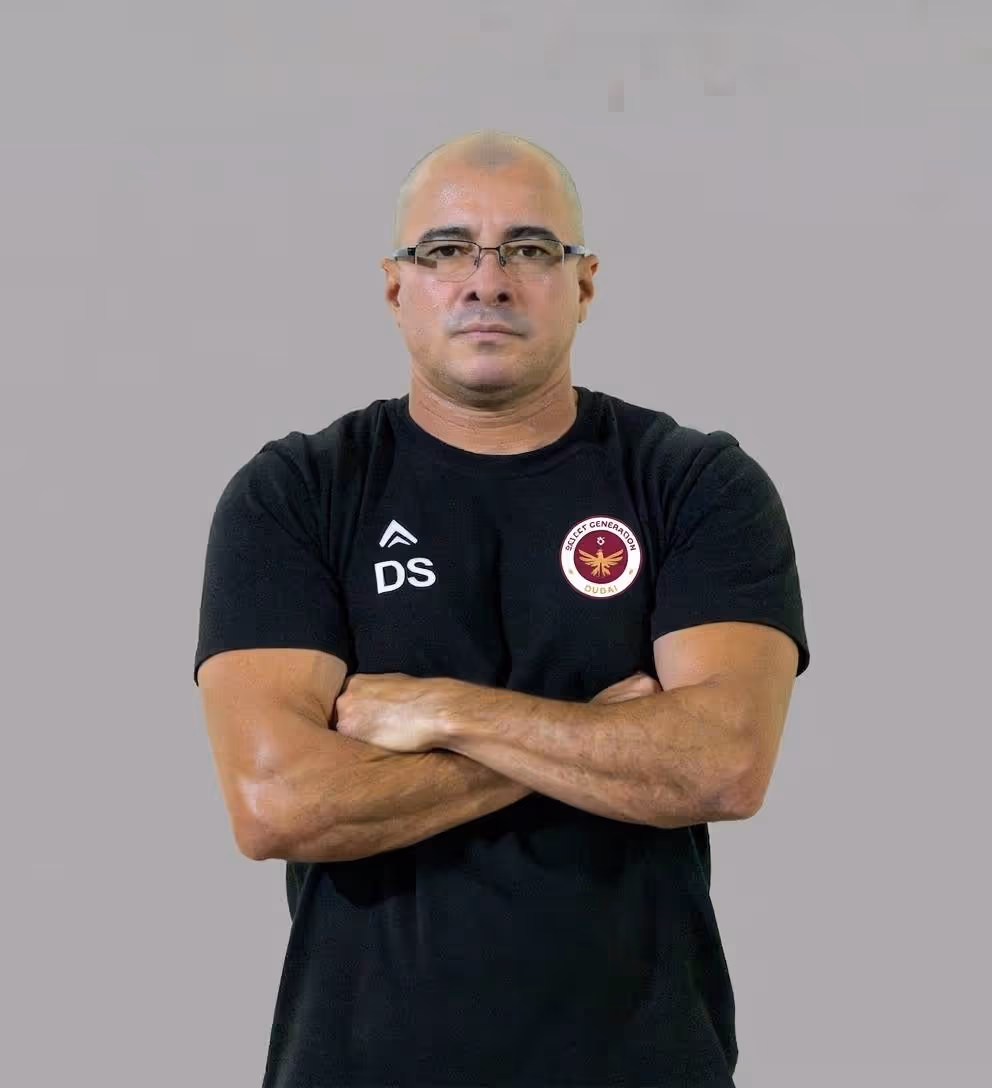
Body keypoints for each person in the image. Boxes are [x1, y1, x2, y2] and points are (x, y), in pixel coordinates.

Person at [194, 129, 810, 1087]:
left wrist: (449, 712)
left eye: (529, 249)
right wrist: (599, 737)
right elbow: (278, 803)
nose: (486, 280)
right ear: (397, 288)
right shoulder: (297, 493)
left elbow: (722, 765)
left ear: (586, 284)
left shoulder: (695, 483)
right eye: (445, 250)